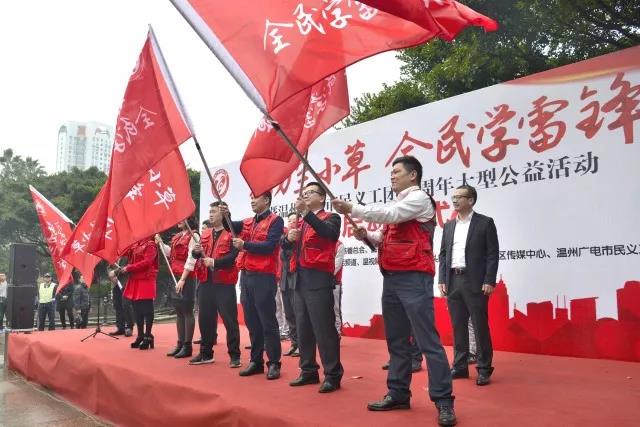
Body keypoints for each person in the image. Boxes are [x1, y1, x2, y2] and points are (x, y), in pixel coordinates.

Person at [332, 155, 456, 426]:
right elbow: (386, 237)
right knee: (397, 341)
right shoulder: (400, 204)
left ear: (413, 175)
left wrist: (352, 208)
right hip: (392, 278)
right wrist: (367, 236)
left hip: (414, 278)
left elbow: (391, 215)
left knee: (427, 341)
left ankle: (444, 400)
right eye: (391, 172)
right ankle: (398, 392)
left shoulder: (419, 199)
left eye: (397, 171)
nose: (392, 176)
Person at [284, 182, 343, 393]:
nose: (306, 196)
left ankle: (332, 374)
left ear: (322, 197)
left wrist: (307, 214)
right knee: (303, 328)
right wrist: (287, 238)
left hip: (318, 279)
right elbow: (285, 248)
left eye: (310, 193)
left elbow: (329, 234)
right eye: (304, 193)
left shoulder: (331, 218)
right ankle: (308, 370)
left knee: (324, 329)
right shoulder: (299, 223)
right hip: (298, 279)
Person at [438, 184, 499, 386]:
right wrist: (442, 279)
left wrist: (489, 280)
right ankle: (460, 366)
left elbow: (492, 254)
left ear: (470, 200)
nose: (455, 200)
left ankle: (484, 368)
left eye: (459, 197)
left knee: (479, 325)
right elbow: (443, 254)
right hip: (453, 280)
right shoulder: (449, 226)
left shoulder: (485, 223)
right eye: (453, 197)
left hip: (475, 282)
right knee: (458, 326)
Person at [221, 191, 284, 380]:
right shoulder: (249, 221)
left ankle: (274, 363)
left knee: (267, 321)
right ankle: (256, 361)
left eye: (255, 198)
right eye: (250, 198)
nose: (252, 201)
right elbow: (230, 226)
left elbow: (270, 246)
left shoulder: (276, 221)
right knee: (252, 321)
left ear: (266, 200)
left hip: (264, 276)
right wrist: (226, 215)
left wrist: (245, 245)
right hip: (246, 276)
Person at [189, 201, 240, 367]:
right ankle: (206, 353)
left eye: (214, 212)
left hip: (224, 282)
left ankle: (235, 355)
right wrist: (196, 252)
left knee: (229, 320)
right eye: (210, 211)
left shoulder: (232, 233)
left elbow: (233, 257)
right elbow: (197, 255)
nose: (211, 214)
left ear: (223, 213)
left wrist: (215, 263)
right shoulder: (206, 233)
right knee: (205, 319)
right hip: (205, 281)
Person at [156, 219, 198, 359]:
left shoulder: (194, 235)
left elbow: (191, 259)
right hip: (175, 276)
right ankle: (180, 343)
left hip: (187, 277)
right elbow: (171, 254)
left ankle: (187, 346)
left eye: (182, 219)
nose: (178, 221)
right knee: (179, 311)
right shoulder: (178, 236)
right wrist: (161, 243)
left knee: (187, 311)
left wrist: (183, 279)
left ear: (188, 220)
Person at [112, 237, 159, 350]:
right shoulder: (135, 245)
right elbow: (124, 253)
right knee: (137, 310)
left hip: (146, 279)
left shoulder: (150, 244)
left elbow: (147, 262)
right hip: (135, 279)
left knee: (147, 309)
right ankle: (140, 335)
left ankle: (148, 336)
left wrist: (129, 268)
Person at [280, 212, 299, 357]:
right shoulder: (284, 240)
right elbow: (282, 256)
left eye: (294, 221)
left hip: (297, 280)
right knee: (289, 314)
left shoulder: (302, 239)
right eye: (289, 221)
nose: (291, 223)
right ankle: (294, 343)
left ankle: (302, 345)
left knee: (299, 314)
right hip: (285, 280)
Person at [108, 272, 134, 337]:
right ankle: (120, 328)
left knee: (126, 305)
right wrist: (111, 277)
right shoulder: (110, 266)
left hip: (125, 284)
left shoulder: (122, 263)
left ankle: (129, 327)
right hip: (115, 286)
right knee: (117, 306)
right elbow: (110, 273)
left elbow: (126, 268)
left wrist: (115, 272)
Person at [333, 240, 345, 336]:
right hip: (322, 284)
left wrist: (322, 276)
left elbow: (336, 266)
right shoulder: (322, 243)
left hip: (335, 283)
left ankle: (337, 332)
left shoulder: (339, 245)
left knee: (335, 309)